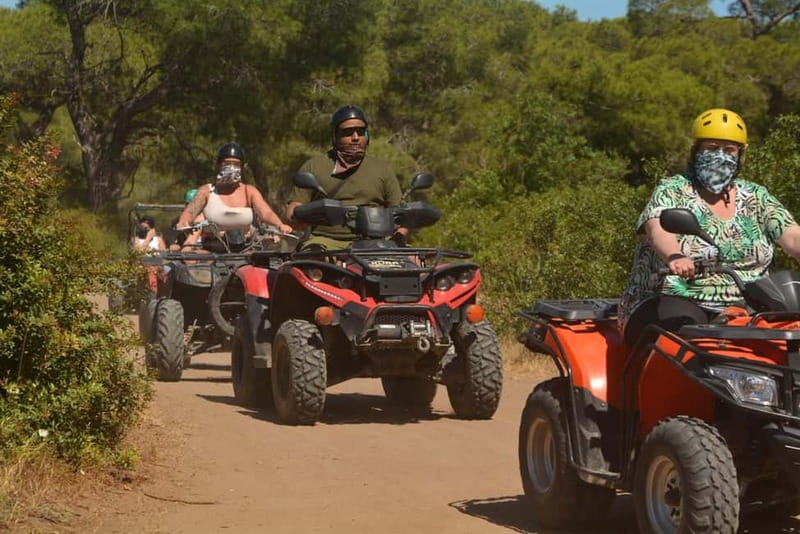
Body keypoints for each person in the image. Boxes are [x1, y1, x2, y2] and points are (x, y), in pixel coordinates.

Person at [618, 108, 800, 346]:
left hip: (749, 305)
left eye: (729, 150)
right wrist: (675, 256)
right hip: (675, 297)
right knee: (685, 339)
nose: (720, 156)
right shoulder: (673, 190)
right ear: (696, 152)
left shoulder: (756, 196)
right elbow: (657, 228)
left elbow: (793, 237)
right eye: (712, 148)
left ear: (740, 155)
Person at [285, 105, 407, 250]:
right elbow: (293, 212)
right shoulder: (315, 166)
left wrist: (397, 238)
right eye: (348, 133)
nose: (355, 138)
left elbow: (401, 215)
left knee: (415, 263)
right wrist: (302, 214)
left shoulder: (382, 168)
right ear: (335, 136)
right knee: (313, 264)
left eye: (361, 132)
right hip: (327, 242)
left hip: (376, 242)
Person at [176, 143, 292, 251]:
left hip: (246, 250)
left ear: (242, 167)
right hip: (212, 251)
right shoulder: (206, 191)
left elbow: (265, 213)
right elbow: (190, 212)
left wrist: (279, 225)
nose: (232, 168)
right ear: (218, 164)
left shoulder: (249, 191)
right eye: (227, 163)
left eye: (236, 164)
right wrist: (183, 222)